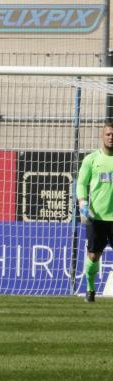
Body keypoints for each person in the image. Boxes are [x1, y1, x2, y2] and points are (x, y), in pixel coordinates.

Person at [77, 120, 113, 303]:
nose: (111, 137)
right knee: (93, 255)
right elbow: (81, 183)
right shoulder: (91, 159)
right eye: (108, 134)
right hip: (96, 216)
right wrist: (83, 202)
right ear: (103, 136)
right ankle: (90, 290)